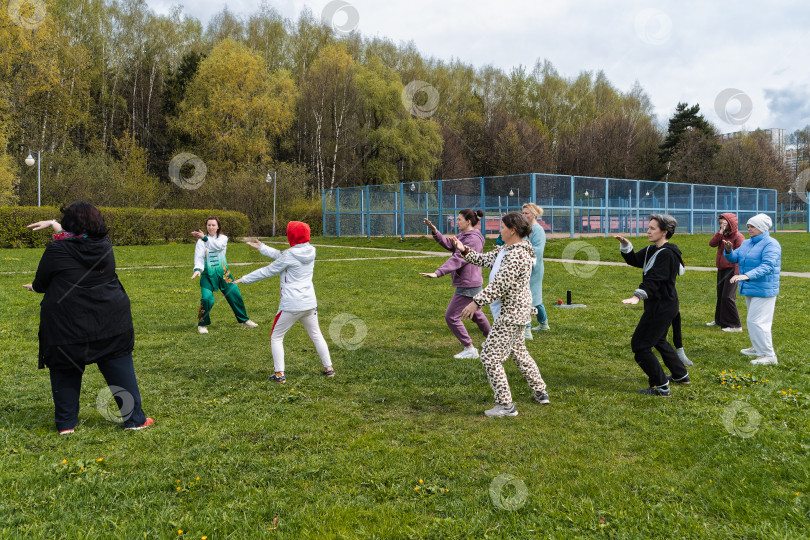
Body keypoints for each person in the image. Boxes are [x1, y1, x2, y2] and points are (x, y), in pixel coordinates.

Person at [23, 203, 153, 434]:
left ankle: (66, 425)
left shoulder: (57, 249)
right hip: (110, 323)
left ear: (70, 224)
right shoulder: (103, 245)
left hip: (67, 327)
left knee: (65, 370)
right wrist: (54, 225)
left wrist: (34, 287)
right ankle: (135, 420)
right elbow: (77, 240)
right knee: (119, 367)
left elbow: (42, 283)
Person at [450, 212, 549, 417]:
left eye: (502, 227)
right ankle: (540, 391)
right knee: (519, 352)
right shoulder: (507, 249)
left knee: (490, 356)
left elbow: (500, 285)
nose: (499, 231)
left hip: (511, 315)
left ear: (513, 230)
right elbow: (484, 259)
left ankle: (506, 406)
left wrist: (475, 303)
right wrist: (464, 250)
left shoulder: (517, 254)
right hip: (514, 313)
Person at [235, 221, 334, 383]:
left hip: (291, 305)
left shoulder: (290, 255)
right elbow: (284, 256)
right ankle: (329, 368)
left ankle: (279, 374)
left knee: (276, 337)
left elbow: (268, 270)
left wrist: (244, 279)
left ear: (292, 236)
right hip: (309, 304)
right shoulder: (311, 251)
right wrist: (262, 247)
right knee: (316, 335)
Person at [615, 214, 689, 396]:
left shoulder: (668, 255)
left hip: (662, 307)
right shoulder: (651, 250)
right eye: (649, 227)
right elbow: (634, 260)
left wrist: (637, 296)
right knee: (659, 340)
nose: (648, 231)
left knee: (640, 346)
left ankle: (661, 386)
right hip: (662, 305)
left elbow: (655, 280)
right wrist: (626, 245)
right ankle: (681, 375)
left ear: (665, 232)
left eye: (652, 228)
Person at [420, 211, 491, 359]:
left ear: (468, 221)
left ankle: (469, 349)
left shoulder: (473, 240)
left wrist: (438, 272)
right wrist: (435, 231)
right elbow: (449, 244)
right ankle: (494, 341)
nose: (456, 222)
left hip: (468, 284)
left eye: (459, 220)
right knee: (476, 314)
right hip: (470, 282)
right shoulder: (463, 236)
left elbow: (458, 258)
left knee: (451, 316)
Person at [723, 214, 781, 366]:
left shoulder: (771, 244)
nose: (749, 229)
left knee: (757, 321)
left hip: (764, 289)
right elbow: (735, 258)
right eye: (748, 226)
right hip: (751, 288)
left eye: (752, 226)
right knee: (755, 321)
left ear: (762, 227)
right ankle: (757, 348)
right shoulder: (747, 243)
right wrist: (729, 251)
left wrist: (746, 275)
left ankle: (769, 355)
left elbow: (768, 266)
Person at [191, 217, 258, 334]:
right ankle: (202, 324)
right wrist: (197, 269)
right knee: (206, 299)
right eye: (208, 225)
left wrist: (204, 238)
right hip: (207, 275)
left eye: (213, 225)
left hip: (224, 274)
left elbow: (217, 246)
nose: (211, 227)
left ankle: (244, 320)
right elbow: (199, 257)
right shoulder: (201, 241)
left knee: (235, 295)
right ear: (206, 226)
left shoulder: (223, 239)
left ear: (218, 227)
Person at [707, 213, 745, 332]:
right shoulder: (722, 235)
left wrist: (737, 274)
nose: (722, 225)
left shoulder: (738, 237)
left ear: (731, 223)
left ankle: (735, 325)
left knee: (727, 297)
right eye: (720, 223)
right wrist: (720, 232)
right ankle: (719, 320)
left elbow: (741, 257)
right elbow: (712, 244)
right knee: (720, 296)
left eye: (724, 223)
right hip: (722, 269)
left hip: (732, 270)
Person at [522, 203, 549, 334]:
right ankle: (544, 324)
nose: (524, 215)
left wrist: (522, 251)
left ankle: (526, 330)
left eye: (527, 213)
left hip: (534, 268)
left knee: (527, 298)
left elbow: (538, 250)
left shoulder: (538, 230)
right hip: (524, 266)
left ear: (534, 215)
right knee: (536, 298)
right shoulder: (525, 228)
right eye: (523, 213)